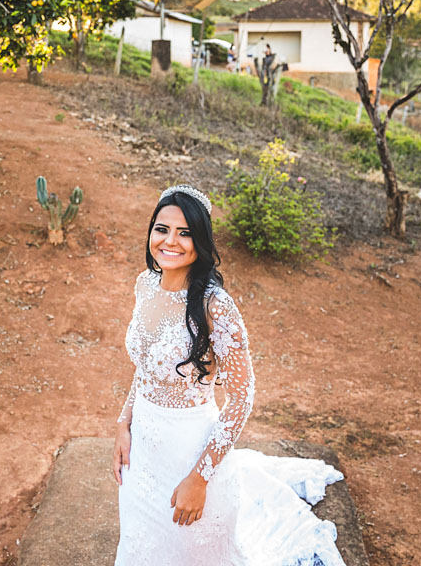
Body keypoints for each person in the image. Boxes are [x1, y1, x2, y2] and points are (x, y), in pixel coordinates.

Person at [113, 185, 347, 565]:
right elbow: (145, 369)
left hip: (189, 454)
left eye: (185, 233)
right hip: (141, 458)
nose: (170, 241)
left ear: (200, 242)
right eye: (162, 229)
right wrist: (124, 423)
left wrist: (200, 478)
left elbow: (241, 397)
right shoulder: (145, 284)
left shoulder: (215, 306)